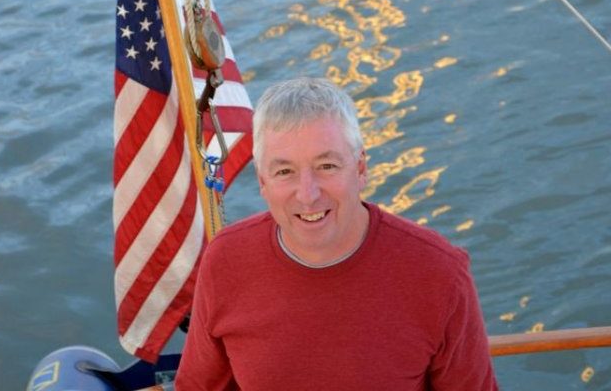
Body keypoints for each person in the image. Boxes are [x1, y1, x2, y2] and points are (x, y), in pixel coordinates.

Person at [175, 77, 498, 390]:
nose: (308, 194)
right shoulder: (226, 261)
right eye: (285, 171)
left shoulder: (439, 273)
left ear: (360, 169)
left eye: (326, 166)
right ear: (263, 182)